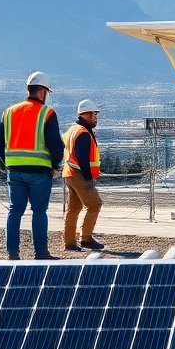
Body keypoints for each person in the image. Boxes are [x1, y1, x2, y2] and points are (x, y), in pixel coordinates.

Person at [0, 71, 65, 260]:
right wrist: (55, 165)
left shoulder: (9, 112)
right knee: (39, 211)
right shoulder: (47, 113)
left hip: (15, 171)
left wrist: (9, 162)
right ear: (42, 91)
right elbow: (56, 145)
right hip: (40, 172)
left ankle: (12, 253)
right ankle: (41, 253)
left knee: (14, 210)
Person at [62, 99, 104, 253]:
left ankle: (70, 242)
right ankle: (86, 238)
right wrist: (88, 178)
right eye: (94, 114)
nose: (95, 117)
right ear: (85, 114)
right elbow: (82, 158)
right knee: (95, 204)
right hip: (79, 174)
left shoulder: (73, 129)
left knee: (74, 208)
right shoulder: (83, 133)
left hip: (69, 172)